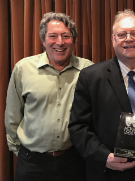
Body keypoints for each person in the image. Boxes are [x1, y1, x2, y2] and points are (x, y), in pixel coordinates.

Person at [68, 9, 135, 181]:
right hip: (110, 173)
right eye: (122, 34)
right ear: (113, 39)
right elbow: (78, 127)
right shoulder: (91, 77)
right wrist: (104, 157)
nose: (128, 39)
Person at [4, 12, 93, 181]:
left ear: (73, 40)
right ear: (43, 41)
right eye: (53, 36)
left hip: (73, 161)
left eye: (66, 36)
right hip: (32, 163)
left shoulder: (88, 70)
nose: (60, 42)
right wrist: (20, 152)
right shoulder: (23, 69)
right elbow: (13, 116)